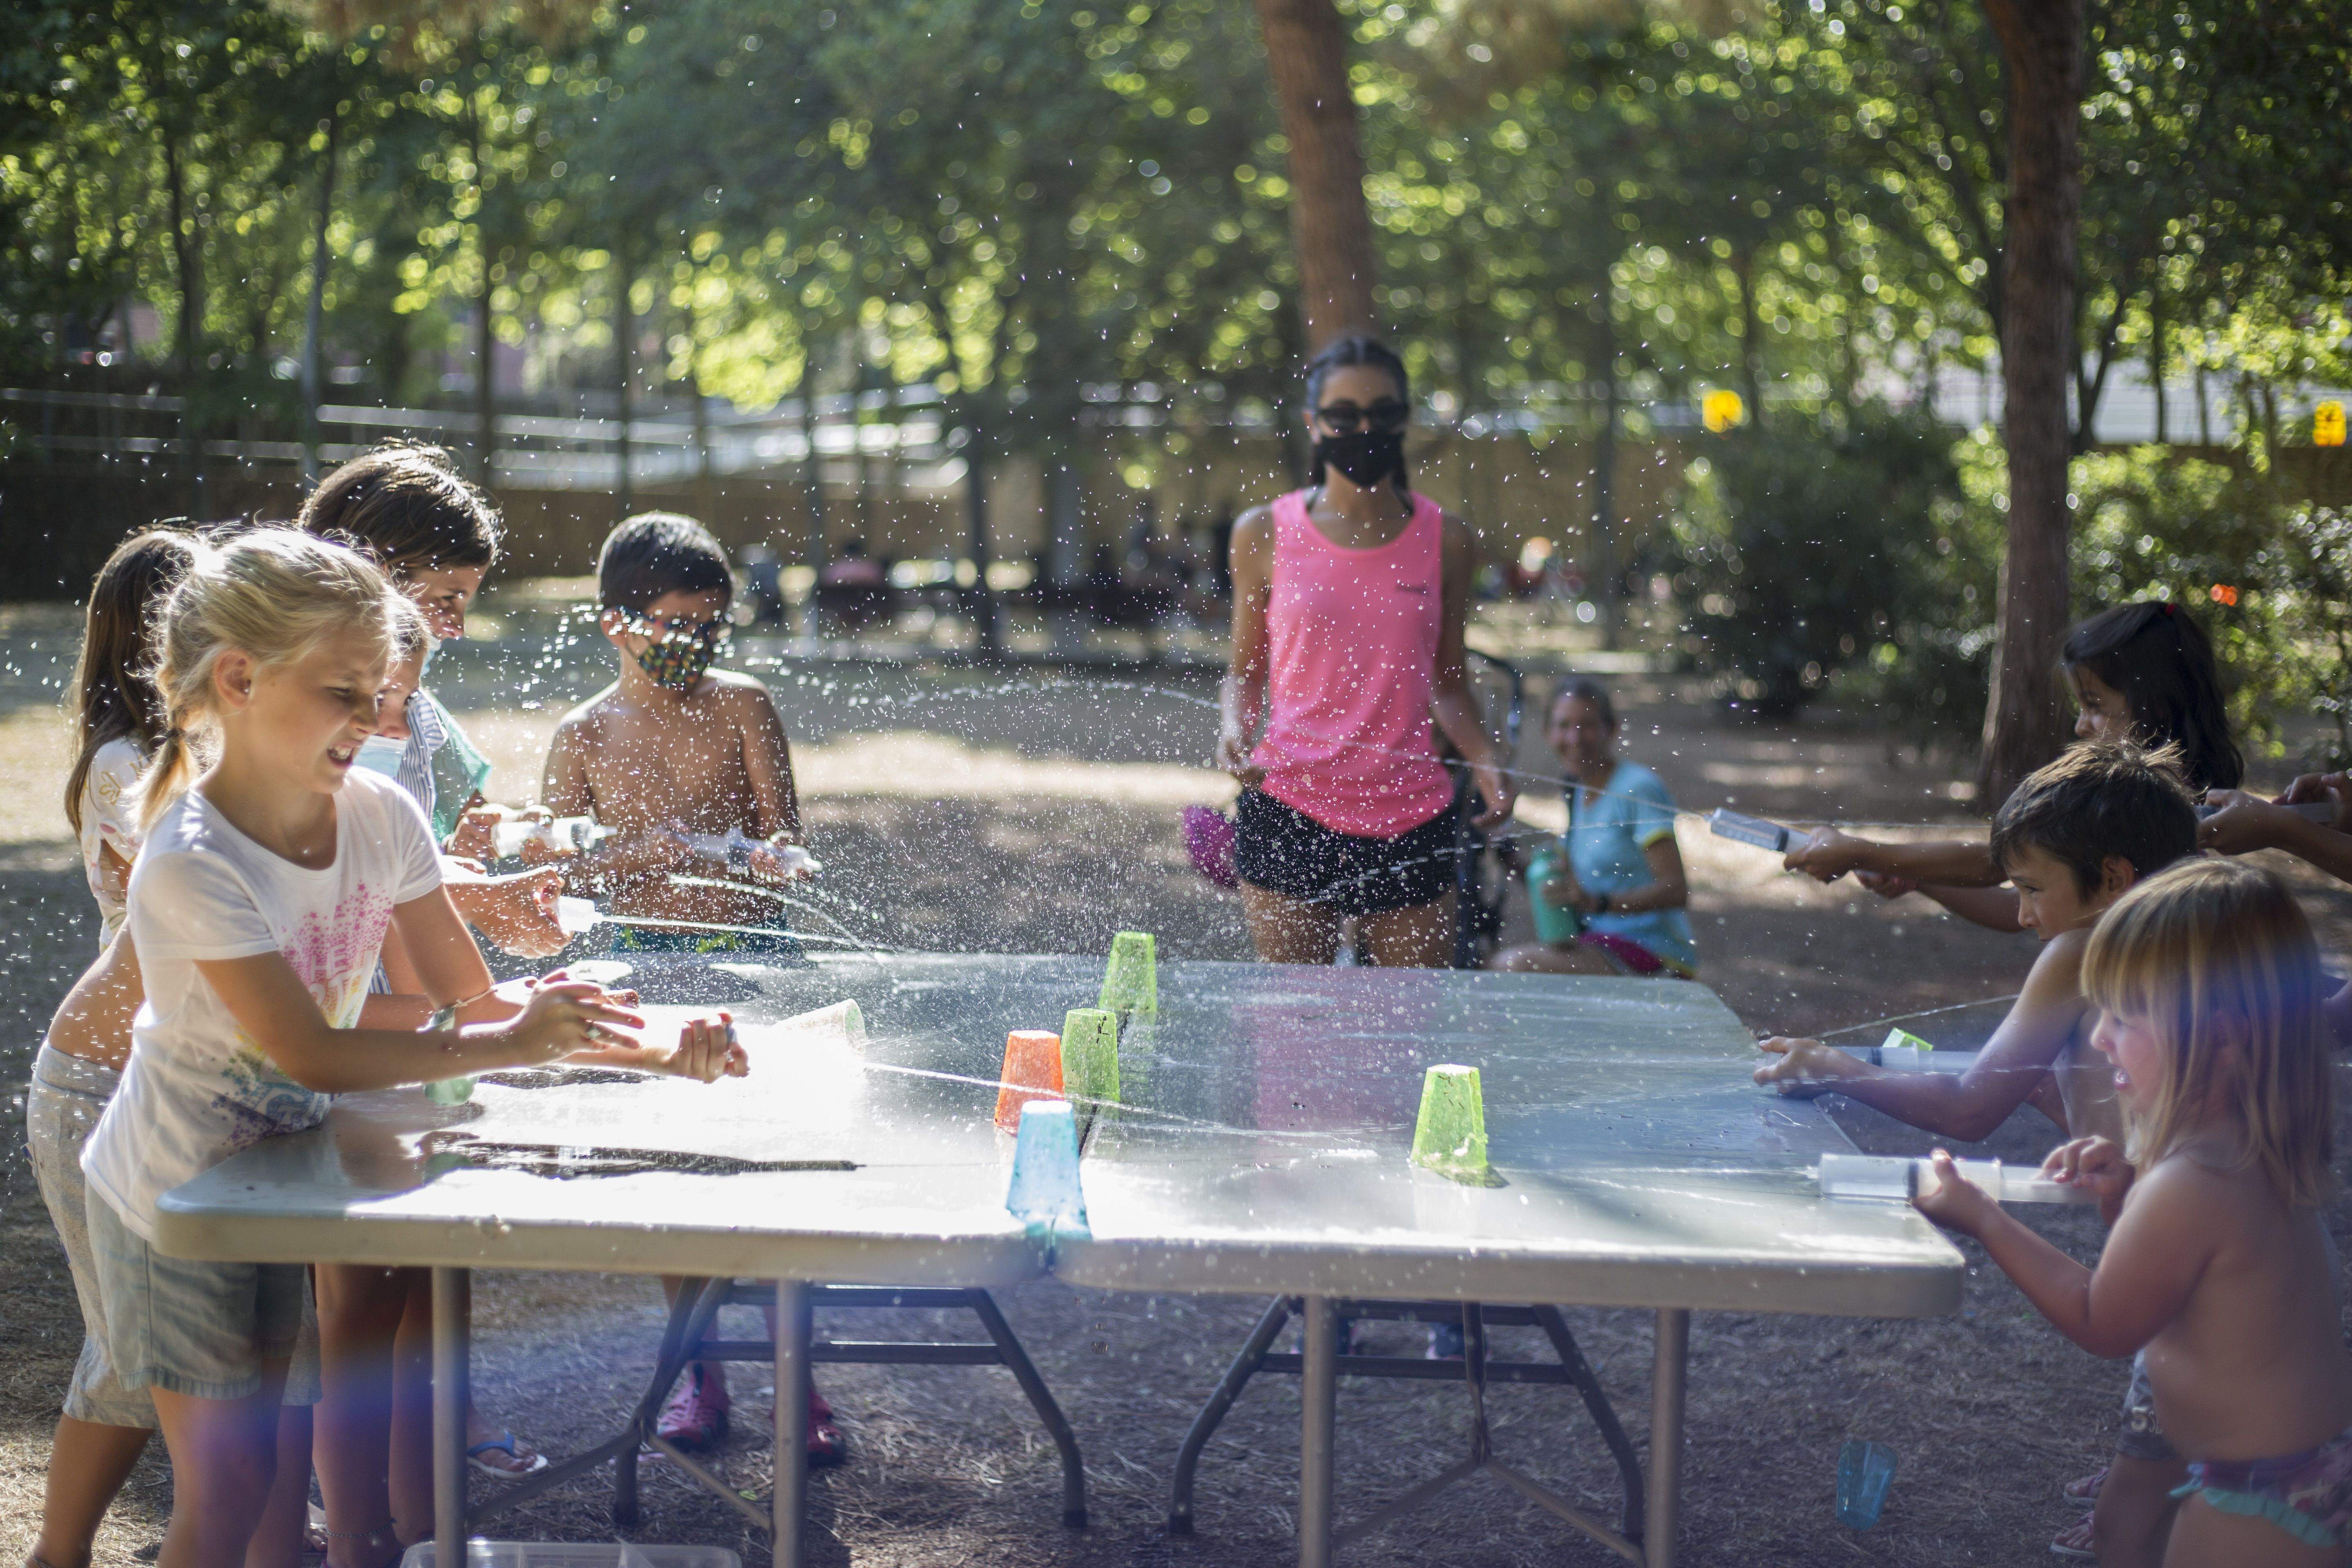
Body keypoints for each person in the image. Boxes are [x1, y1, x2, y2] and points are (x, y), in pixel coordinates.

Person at [72, 530, 657, 1568]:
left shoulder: (381, 813)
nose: (378, 720)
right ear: (241, 677)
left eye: (383, 692)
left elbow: (466, 996)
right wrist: (511, 1038)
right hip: (169, 1194)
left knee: (263, 1477)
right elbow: (310, 1053)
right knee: (229, 1494)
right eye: (348, 693)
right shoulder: (191, 859)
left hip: (275, 1181)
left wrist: (622, 1042)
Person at [1756, 739, 2201, 1566]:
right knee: (2206, 1472)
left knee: (2128, 1531)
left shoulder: (2079, 951)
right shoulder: (2187, 942)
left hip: (2177, 1280)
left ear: (2111, 878)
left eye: (2032, 889)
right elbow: (2066, 1083)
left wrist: (1842, 1072)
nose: (2023, 913)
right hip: (2221, 1254)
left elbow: (1969, 1110)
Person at [1915, 858, 2352, 1568]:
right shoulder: (2243, 1152)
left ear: (2223, 1036)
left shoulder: (2193, 1181)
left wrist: (1982, 1216)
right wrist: (2123, 1202)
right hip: (2293, 1476)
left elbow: (2103, 1320)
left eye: (2125, 1014)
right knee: (2128, 1538)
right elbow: (2178, 1296)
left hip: (2255, 1503)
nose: (2099, 1036)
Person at [540, 512, 838, 1459]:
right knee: (671, 1165)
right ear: (615, 624)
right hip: (645, 966)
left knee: (774, 1163)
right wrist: (631, 852)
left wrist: (753, 856)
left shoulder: (743, 705)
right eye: (673, 626)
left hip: (752, 961)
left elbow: (785, 839)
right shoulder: (582, 733)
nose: (692, 647)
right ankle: (695, 1372)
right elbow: (557, 872)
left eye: (709, 628)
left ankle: (802, 1380)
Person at [1215, 333, 1514, 967]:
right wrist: (1235, 730)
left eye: (1382, 414)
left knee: (1403, 1044)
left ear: (1404, 420)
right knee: (1297, 1033)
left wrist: (1486, 761)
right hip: (1291, 808)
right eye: (1343, 415)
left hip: (1413, 817)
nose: (1363, 428)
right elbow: (1244, 675)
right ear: (1313, 424)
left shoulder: (1449, 539)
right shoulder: (1262, 533)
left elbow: (1450, 683)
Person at [27, 529, 194, 1568]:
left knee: (156, 1342)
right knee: (132, 1350)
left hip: (162, 1075)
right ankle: (59, 1553)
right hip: (112, 1078)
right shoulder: (131, 767)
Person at [1784, 601, 2239, 932]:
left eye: (2096, 705)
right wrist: (1917, 877)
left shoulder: (2145, 809)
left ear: (2155, 705)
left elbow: (1994, 864)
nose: (2081, 726)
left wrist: (1862, 851)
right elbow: (2022, 908)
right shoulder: (2170, 803)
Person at [295, 443, 568, 962]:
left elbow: (409, 866)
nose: (457, 628)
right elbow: (336, 883)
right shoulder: (289, 722)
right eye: (447, 597)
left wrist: (475, 847)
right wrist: (480, 901)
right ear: (375, 574)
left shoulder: (417, 713)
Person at [1489, 677, 1696, 978]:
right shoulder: (1578, 792)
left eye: (1587, 725)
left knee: (1510, 967)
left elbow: (1676, 891)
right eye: (1563, 726)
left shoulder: (1637, 789)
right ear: (1548, 733)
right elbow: (1567, 887)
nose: (1574, 738)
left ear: (1610, 730)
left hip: (1653, 953)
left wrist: (1599, 904)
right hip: (1598, 942)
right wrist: (1506, 856)